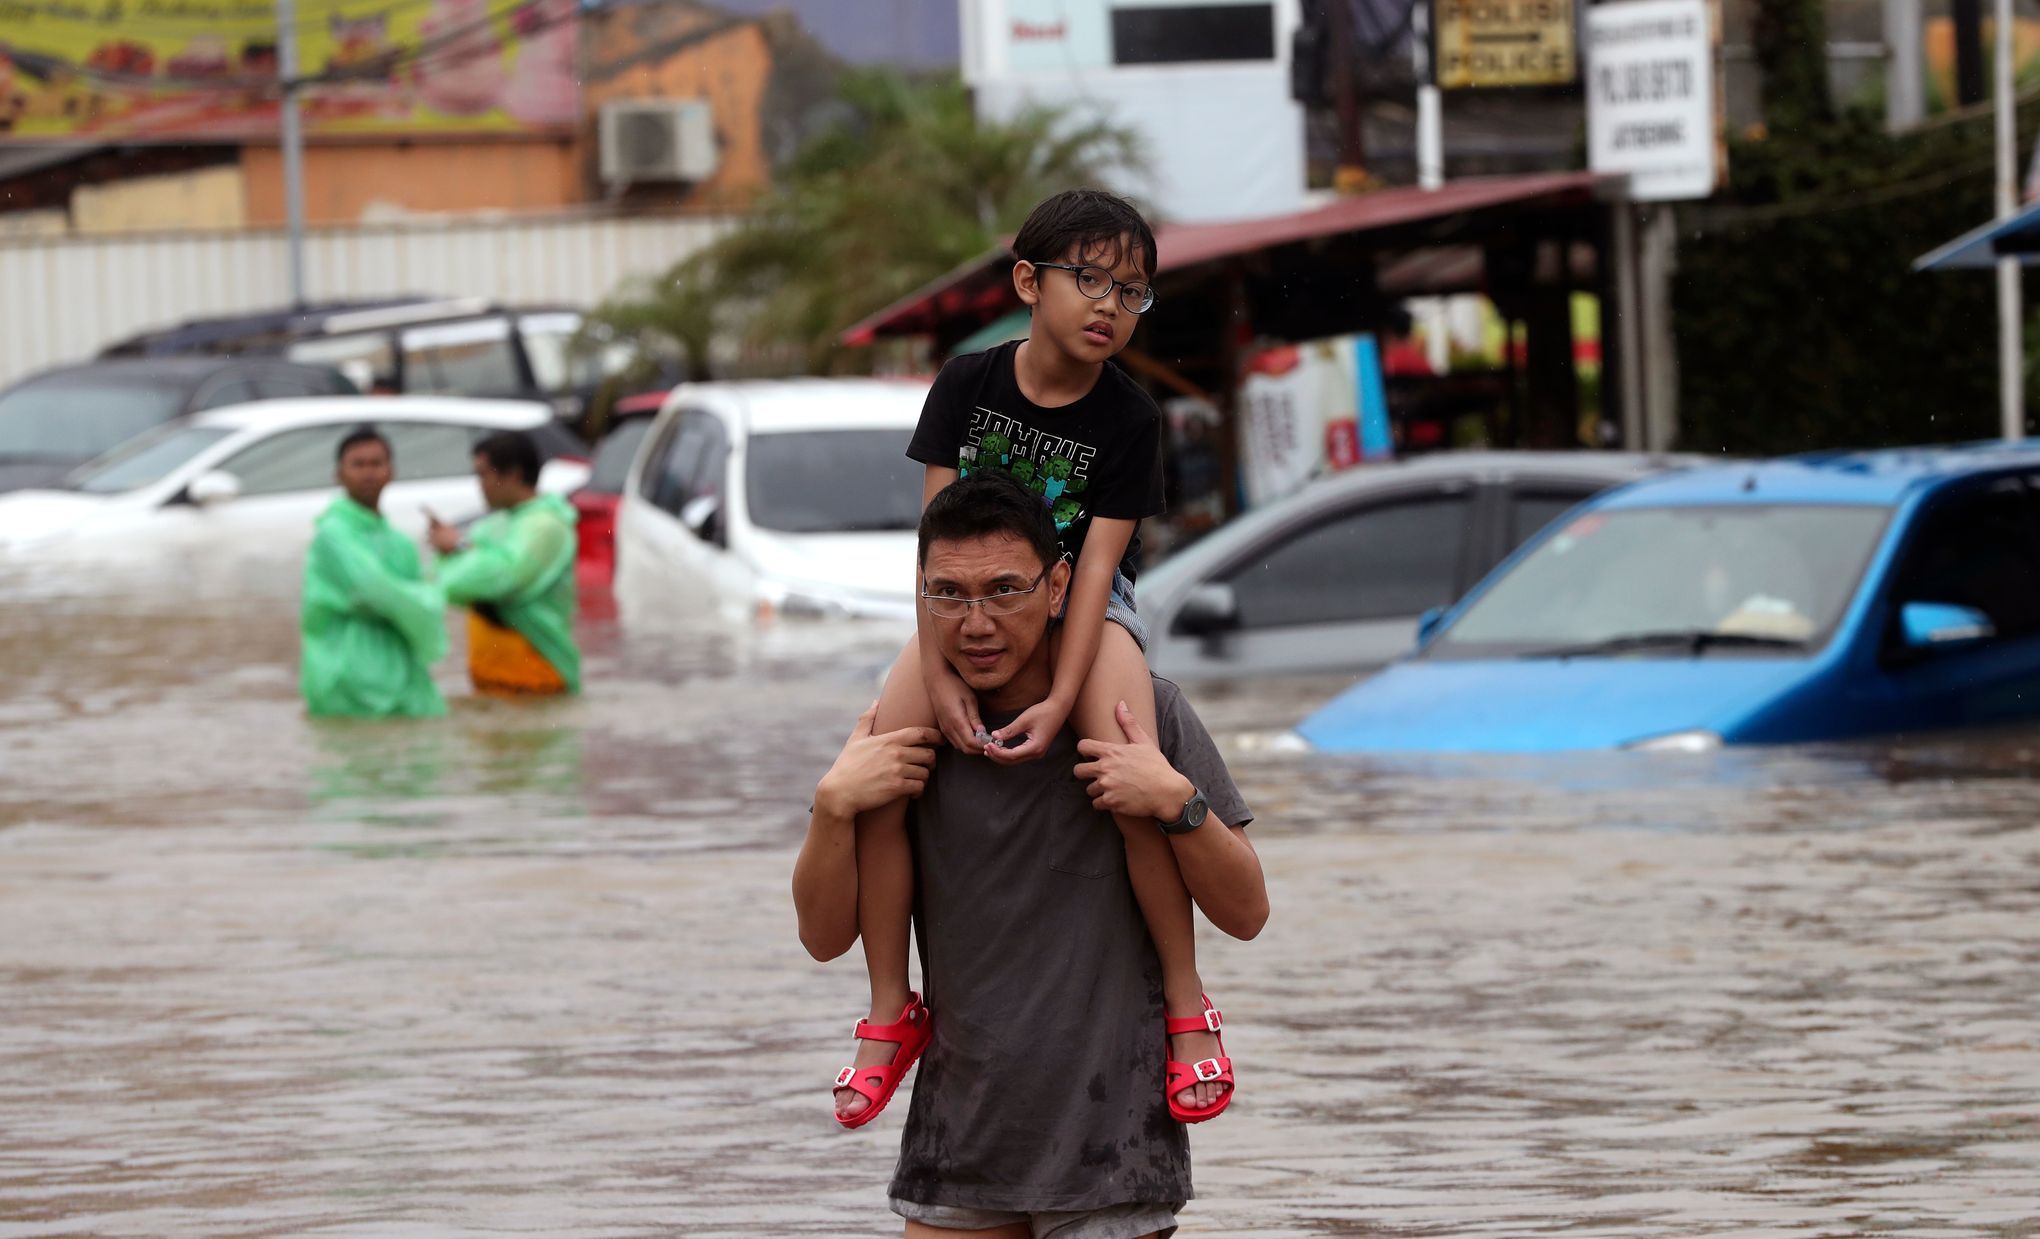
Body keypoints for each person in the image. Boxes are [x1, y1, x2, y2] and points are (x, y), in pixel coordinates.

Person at [838, 188, 1235, 1131]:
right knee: (886, 766)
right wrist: (935, 671)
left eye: (1132, 292)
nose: (1109, 306)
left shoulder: (1131, 417)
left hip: (1094, 607)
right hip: (970, 601)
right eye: (1089, 279)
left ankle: (1186, 1003)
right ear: (1029, 281)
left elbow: (1097, 568)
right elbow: (934, 546)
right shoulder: (967, 383)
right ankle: (892, 1010)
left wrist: (1062, 699)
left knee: (1126, 761)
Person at [793, 473, 1270, 1237]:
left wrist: (1176, 802)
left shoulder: (1139, 716)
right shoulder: (904, 737)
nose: (975, 622)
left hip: (1111, 1153)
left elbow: (1247, 911)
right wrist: (830, 806)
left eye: (1003, 589)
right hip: (958, 1148)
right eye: (947, 594)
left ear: (1058, 588)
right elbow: (821, 937)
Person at [300, 425, 449, 718]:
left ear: (390, 471)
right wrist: (430, 597)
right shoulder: (333, 533)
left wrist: (445, 562)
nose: (368, 473)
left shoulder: (399, 542)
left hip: (401, 670)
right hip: (346, 672)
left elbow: (412, 590)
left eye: (376, 464)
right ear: (339, 474)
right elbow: (376, 590)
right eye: (358, 464)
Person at [427, 430, 580, 696]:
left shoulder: (545, 525)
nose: (479, 484)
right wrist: (455, 549)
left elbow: (503, 577)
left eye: (484, 474)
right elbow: (454, 584)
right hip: (493, 680)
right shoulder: (497, 523)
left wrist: (459, 547)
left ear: (513, 475)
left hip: (536, 678)